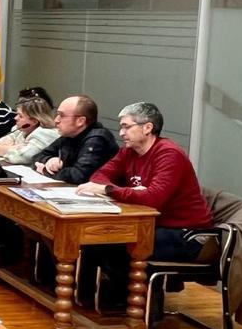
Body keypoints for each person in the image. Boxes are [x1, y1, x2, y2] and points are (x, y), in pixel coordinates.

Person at [75, 102, 213, 313]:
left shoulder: (169, 154)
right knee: (94, 239)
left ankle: (145, 306)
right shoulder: (129, 151)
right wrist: (124, 191)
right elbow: (99, 176)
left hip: (187, 235)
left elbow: (153, 198)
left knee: (118, 243)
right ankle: (90, 300)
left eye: (126, 126)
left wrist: (110, 190)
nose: (121, 133)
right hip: (153, 225)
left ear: (147, 128)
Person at [33, 95, 119, 184]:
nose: (56, 120)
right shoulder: (69, 135)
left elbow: (79, 176)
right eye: (57, 114)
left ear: (80, 121)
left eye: (61, 115)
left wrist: (45, 170)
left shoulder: (97, 139)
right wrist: (49, 160)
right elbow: (36, 157)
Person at [0, 97, 59, 165]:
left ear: (34, 121)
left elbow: (19, 157)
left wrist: (2, 148)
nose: (15, 118)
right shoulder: (19, 129)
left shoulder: (45, 133)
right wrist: (13, 148)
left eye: (20, 116)